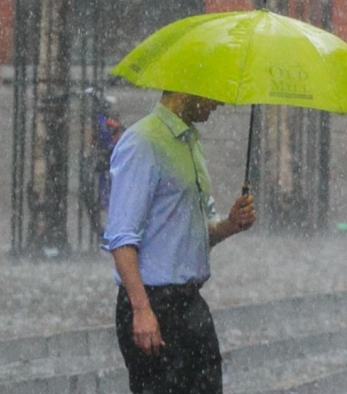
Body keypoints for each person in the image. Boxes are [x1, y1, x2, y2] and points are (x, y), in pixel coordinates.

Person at [103, 90, 257, 393]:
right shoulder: (143, 142)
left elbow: (193, 232)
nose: (220, 99)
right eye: (213, 90)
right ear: (186, 87)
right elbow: (121, 238)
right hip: (153, 302)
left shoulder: (191, 144)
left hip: (190, 304)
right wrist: (142, 310)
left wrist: (228, 225)